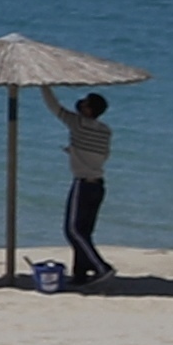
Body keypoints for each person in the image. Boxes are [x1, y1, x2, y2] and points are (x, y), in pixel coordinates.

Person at [40, 85, 118, 286]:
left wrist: (43, 86)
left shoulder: (78, 124)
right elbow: (100, 155)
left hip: (83, 184)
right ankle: (80, 274)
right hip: (99, 185)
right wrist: (75, 152)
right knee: (84, 233)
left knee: (73, 231)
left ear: (88, 110)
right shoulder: (105, 131)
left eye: (84, 102)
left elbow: (54, 107)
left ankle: (102, 267)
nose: (80, 103)